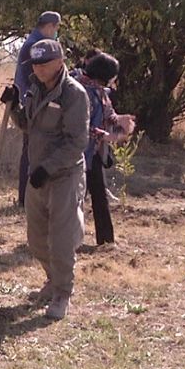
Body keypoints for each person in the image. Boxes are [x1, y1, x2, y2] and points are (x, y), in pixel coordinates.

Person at [0, 38, 89, 319]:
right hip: (37, 173)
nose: (38, 69)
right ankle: (52, 279)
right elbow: (27, 125)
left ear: (59, 62)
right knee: (36, 239)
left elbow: (77, 142)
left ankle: (63, 293)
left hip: (64, 174)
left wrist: (47, 168)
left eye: (44, 64)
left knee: (61, 239)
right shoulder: (34, 89)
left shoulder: (74, 94)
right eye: (35, 64)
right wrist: (14, 106)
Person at [73, 52, 135, 246]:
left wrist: (122, 121)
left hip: (95, 154)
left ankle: (106, 243)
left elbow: (109, 114)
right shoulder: (80, 90)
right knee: (74, 199)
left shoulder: (100, 91)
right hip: (78, 155)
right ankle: (69, 241)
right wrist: (106, 136)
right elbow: (80, 125)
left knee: (100, 196)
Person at [13, 11, 62, 207]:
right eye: (56, 29)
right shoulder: (36, 46)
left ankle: (28, 198)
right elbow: (31, 80)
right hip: (32, 104)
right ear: (50, 26)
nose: (56, 33)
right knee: (32, 151)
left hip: (33, 102)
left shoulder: (33, 41)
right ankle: (26, 199)